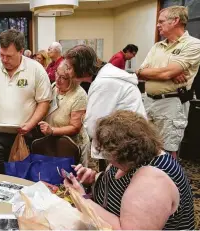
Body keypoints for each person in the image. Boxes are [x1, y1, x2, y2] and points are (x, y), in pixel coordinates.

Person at [64, 110, 194, 230]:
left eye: (108, 153)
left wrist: (82, 199)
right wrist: (93, 179)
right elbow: (116, 186)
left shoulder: (152, 182)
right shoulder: (133, 160)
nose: (106, 157)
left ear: (124, 154)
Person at [0, 29, 52, 173]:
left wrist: (30, 124)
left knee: (21, 177)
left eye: (9, 56)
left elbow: (44, 102)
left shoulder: (36, 69)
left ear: (21, 51)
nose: (4, 60)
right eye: (1, 55)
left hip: (24, 135)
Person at [64, 45, 146, 165]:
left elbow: (93, 127)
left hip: (125, 146)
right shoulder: (107, 76)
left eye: (69, 68)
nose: (67, 72)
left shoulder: (104, 83)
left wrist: (83, 118)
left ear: (81, 67)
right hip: (129, 140)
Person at [136, 6, 200, 159]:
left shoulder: (193, 44)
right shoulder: (157, 46)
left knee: (167, 150)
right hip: (148, 101)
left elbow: (166, 73)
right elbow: (140, 72)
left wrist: (165, 73)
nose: (158, 25)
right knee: (145, 145)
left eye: (161, 21)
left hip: (172, 103)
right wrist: (167, 73)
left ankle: (168, 180)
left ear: (176, 21)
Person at [38, 62, 89, 147]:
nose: (57, 79)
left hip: (70, 146)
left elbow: (75, 127)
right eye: (57, 74)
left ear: (73, 79)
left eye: (63, 78)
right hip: (51, 142)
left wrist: (52, 130)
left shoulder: (80, 96)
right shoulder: (54, 86)